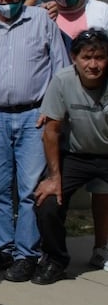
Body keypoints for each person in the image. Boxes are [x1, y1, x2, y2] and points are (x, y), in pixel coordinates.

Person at [0, 0, 69, 281]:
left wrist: (53, 111)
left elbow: (60, 67)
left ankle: (26, 253)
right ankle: (3, 247)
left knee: (28, 189)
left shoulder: (41, 20)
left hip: (34, 115)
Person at [45, 0, 108, 267]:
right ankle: (53, 251)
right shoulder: (44, 14)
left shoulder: (101, 12)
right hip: (56, 109)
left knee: (102, 190)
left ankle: (101, 246)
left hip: (96, 110)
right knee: (54, 186)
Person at [34, 29, 108, 284]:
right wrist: (54, 177)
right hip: (77, 155)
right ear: (74, 57)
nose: (94, 65)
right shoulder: (63, 80)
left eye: (100, 58)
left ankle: (102, 250)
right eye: (87, 57)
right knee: (47, 203)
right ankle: (55, 260)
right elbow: (51, 131)